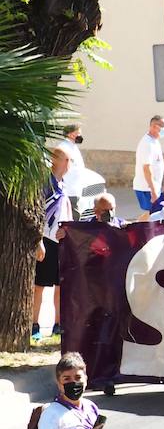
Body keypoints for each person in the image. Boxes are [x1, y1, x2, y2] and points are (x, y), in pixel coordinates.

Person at [33, 146, 72, 342]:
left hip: (61, 242)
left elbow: (66, 212)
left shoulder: (63, 184)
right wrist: (38, 239)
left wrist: (69, 231)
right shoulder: (46, 184)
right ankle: (34, 325)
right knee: (39, 286)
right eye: (68, 160)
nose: (69, 164)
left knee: (60, 286)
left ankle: (58, 324)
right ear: (60, 161)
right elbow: (38, 212)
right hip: (46, 241)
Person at [133, 115, 164, 213]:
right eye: (162, 126)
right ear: (153, 127)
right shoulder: (146, 144)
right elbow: (146, 168)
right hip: (146, 188)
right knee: (154, 214)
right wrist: (153, 190)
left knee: (152, 214)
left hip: (153, 187)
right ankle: (136, 227)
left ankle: (134, 226)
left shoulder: (155, 141)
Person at [58, 123, 86, 215]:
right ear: (70, 134)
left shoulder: (73, 147)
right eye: (77, 133)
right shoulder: (64, 148)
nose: (80, 136)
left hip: (75, 188)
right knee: (73, 216)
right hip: (69, 188)